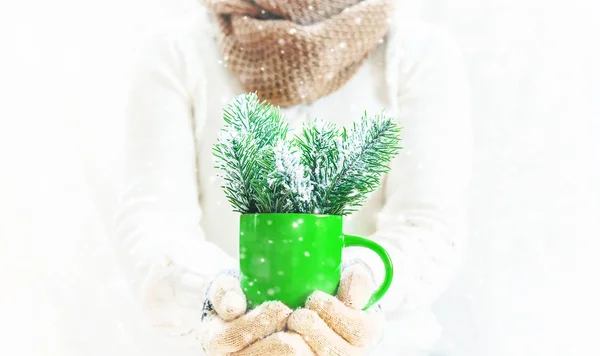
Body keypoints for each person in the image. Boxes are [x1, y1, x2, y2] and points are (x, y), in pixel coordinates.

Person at [113, 0, 472, 355]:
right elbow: (153, 219)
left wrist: (362, 284)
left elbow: (429, 223)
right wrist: (216, 296)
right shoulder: (178, 51)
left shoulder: (418, 53)